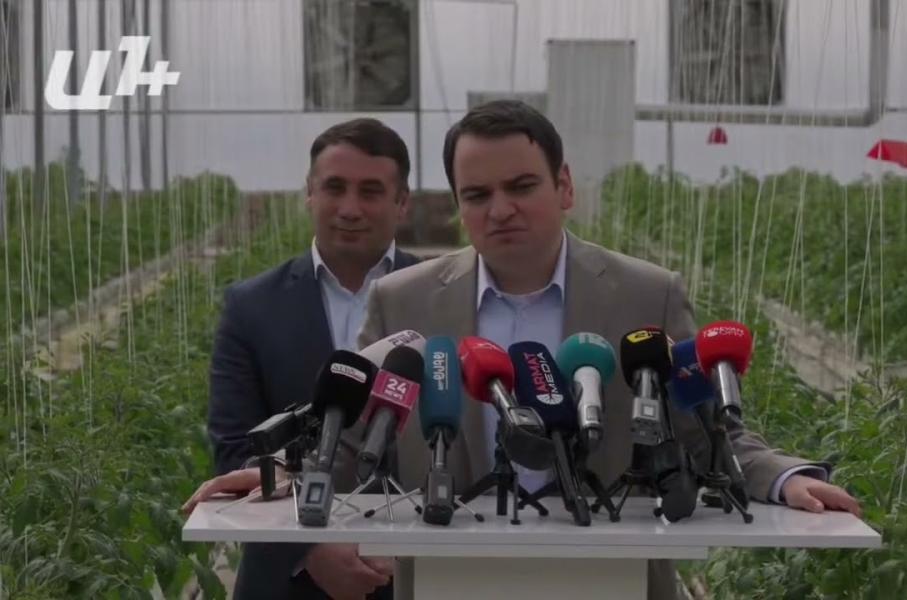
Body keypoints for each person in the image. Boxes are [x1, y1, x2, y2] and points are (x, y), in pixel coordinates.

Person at [353, 100, 861, 600]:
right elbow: (355, 436)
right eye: (477, 194)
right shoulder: (402, 303)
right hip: (452, 578)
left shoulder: (647, 295)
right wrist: (307, 510)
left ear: (564, 186)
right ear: (459, 206)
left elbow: (703, 430)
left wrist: (781, 479)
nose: (501, 209)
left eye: (522, 186)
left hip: (613, 575)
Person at [201, 118, 420, 600]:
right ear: (309, 193)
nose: (350, 209)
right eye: (334, 188)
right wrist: (307, 546)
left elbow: (464, 447)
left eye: (371, 191)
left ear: (402, 202)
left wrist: (401, 548)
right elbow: (236, 449)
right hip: (289, 581)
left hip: (415, 573)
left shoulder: (441, 299)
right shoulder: (252, 307)